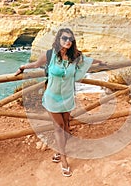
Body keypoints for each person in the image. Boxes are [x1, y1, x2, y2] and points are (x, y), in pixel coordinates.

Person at [15, 28, 105, 177]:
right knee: (59, 128)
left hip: (67, 97)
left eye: (70, 39)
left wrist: (101, 62)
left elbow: (88, 60)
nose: (67, 41)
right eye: (64, 38)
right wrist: (23, 67)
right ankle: (63, 159)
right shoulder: (49, 54)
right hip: (52, 98)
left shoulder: (75, 56)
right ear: (58, 39)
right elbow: (36, 64)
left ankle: (58, 152)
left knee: (66, 127)